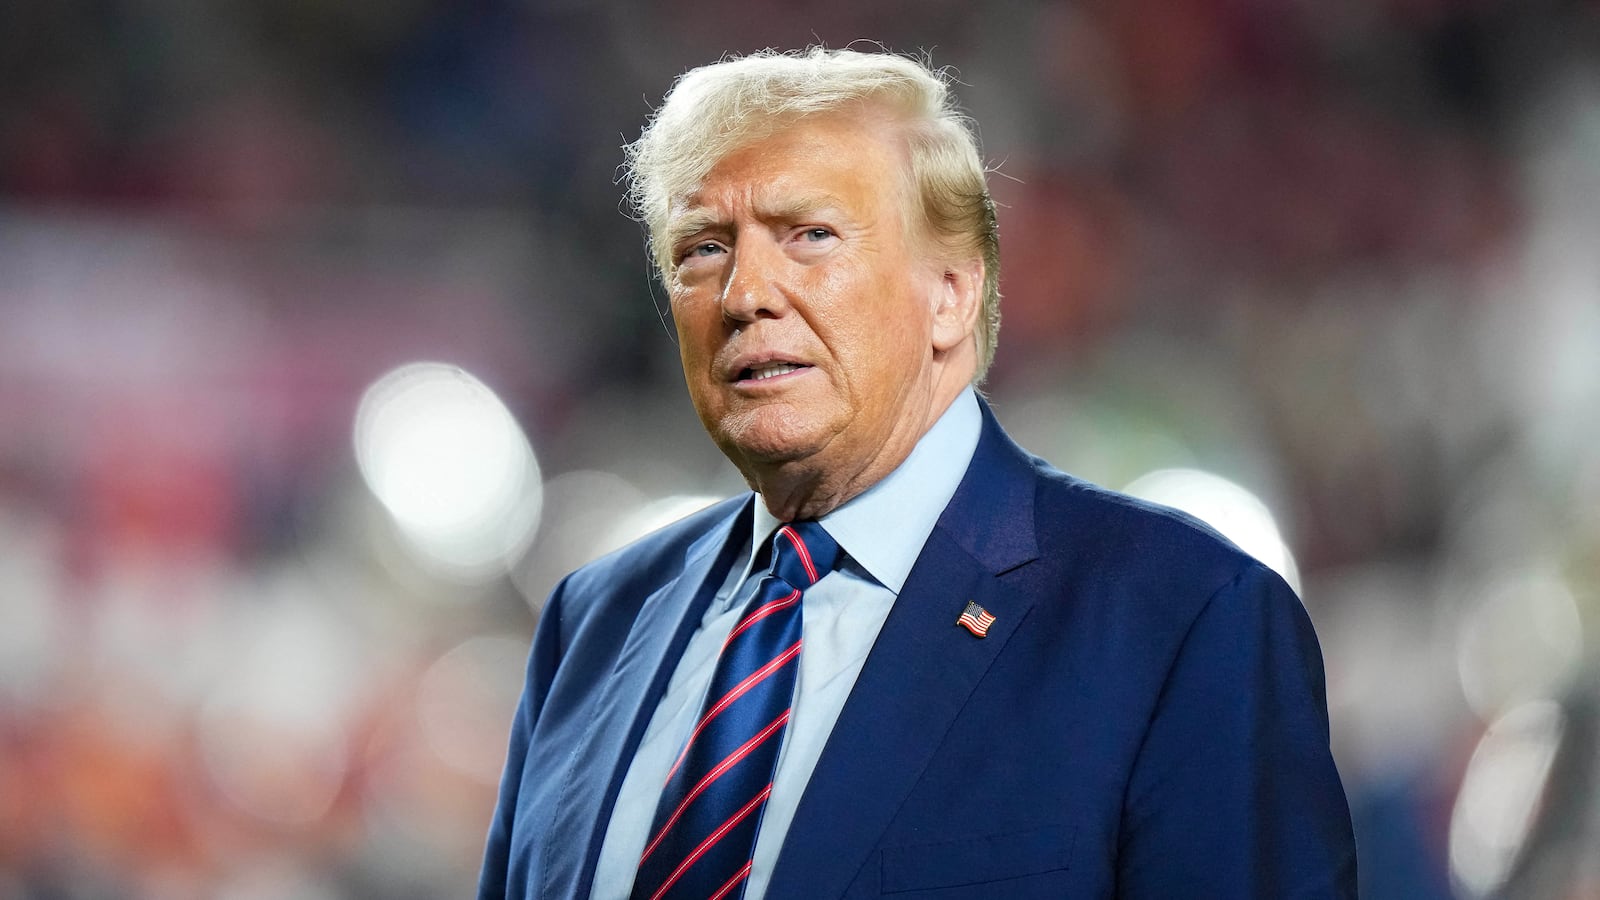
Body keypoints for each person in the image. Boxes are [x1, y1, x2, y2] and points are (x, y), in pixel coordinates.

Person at [479, 47, 1356, 899]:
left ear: (951, 294)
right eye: (703, 249)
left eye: (810, 236)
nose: (744, 294)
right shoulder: (595, 621)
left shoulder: (1181, 618)